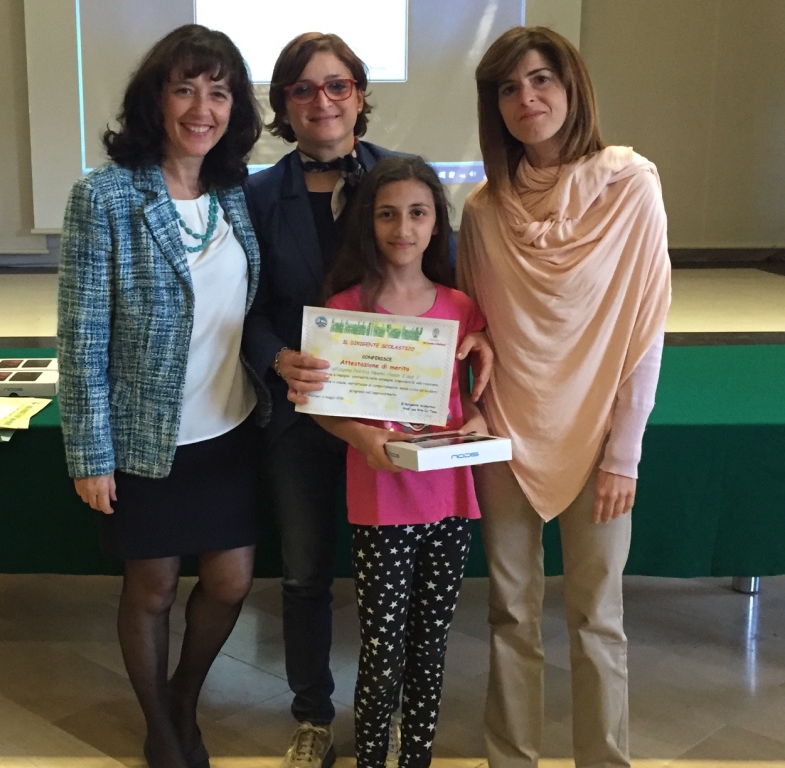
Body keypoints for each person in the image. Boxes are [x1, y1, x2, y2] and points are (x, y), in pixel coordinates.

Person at [243, 33, 491, 768]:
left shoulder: (400, 179)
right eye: (303, 88)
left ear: (358, 94)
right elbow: (244, 307)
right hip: (305, 409)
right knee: (304, 573)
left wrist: (483, 339)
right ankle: (314, 717)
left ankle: (399, 726)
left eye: (337, 85)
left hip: (397, 420)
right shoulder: (257, 196)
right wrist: (276, 357)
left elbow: (448, 285)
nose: (322, 101)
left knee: (398, 603)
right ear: (284, 103)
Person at [456, 26, 672, 768]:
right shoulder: (483, 211)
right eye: (508, 87)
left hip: (598, 438)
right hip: (506, 436)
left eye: (541, 78)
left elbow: (644, 329)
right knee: (510, 612)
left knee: (597, 617)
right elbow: (475, 328)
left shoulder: (630, 185)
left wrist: (624, 453)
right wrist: (473, 408)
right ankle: (510, 758)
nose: (527, 98)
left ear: (572, 85)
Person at [56, 24, 267, 768]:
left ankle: (183, 694)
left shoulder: (234, 193)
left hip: (230, 425)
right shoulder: (105, 196)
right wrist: (90, 453)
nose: (202, 108)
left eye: (219, 92)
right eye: (185, 89)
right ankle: (160, 726)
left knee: (231, 582)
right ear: (156, 99)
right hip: (147, 436)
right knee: (152, 588)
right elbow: (81, 335)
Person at [302, 156, 489, 768]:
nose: (403, 228)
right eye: (387, 214)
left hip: (450, 500)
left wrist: (477, 420)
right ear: (368, 223)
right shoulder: (344, 308)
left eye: (417, 213)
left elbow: (473, 397)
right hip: (381, 505)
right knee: (382, 650)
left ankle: (417, 759)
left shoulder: (461, 307)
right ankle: (370, 760)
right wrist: (361, 437)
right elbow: (318, 407)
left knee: (430, 647)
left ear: (437, 223)